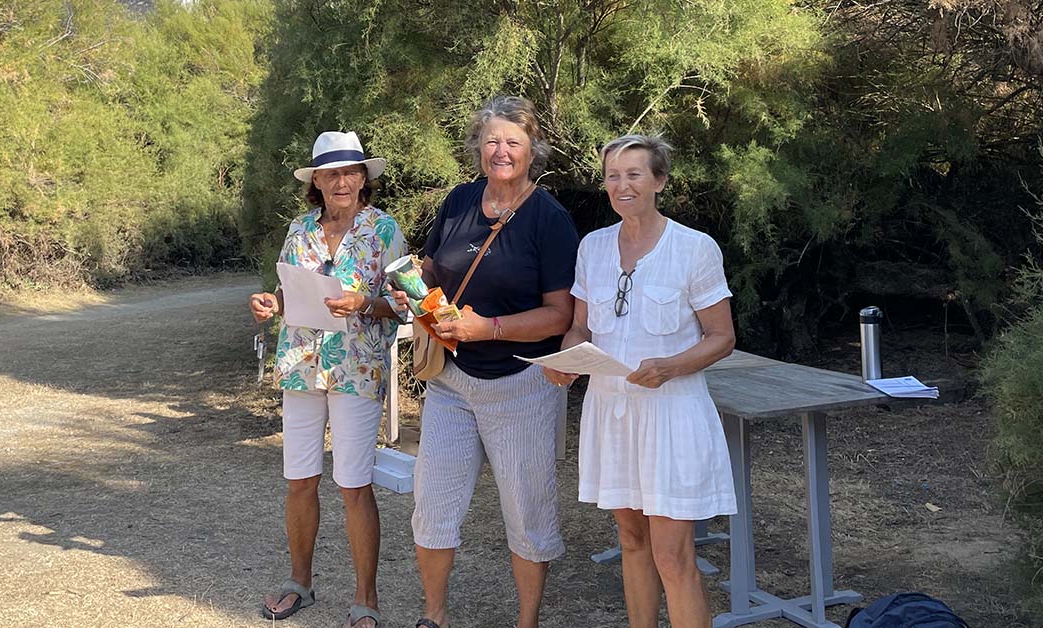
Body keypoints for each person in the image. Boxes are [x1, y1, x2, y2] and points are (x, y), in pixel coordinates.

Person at [394, 96, 579, 628]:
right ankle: (434, 616)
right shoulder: (459, 201)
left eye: (513, 142)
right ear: (478, 145)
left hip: (523, 384)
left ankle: (527, 622)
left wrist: (488, 328)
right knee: (432, 506)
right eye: (492, 140)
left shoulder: (550, 219)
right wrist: (414, 289)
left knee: (527, 513)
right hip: (451, 381)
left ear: (532, 151)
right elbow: (434, 270)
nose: (501, 151)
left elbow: (559, 315)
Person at [544, 134, 737, 628]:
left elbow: (722, 337)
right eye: (613, 176)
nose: (622, 185)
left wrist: (671, 366)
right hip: (611, 413)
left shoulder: (694, 248)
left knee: (672, 556)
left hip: (672, 416)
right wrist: (567, 358)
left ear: (659, 181)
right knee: (632, 541)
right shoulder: (593, 247)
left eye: (634, 174)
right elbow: (580, 327)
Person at [251, 130, 406, 628]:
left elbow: (404, 304)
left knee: (354, 484)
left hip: (357, 368)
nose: (342, 182)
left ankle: (365, 600)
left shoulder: (384, 229)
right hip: (301, 364)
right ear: (315, 182)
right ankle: (299, 582)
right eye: (331, 174)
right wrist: (271, 304)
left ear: (363, 178)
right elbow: (289, 290)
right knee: (300, 480)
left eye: (350, 172)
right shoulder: (299, 229)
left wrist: (365, 303)